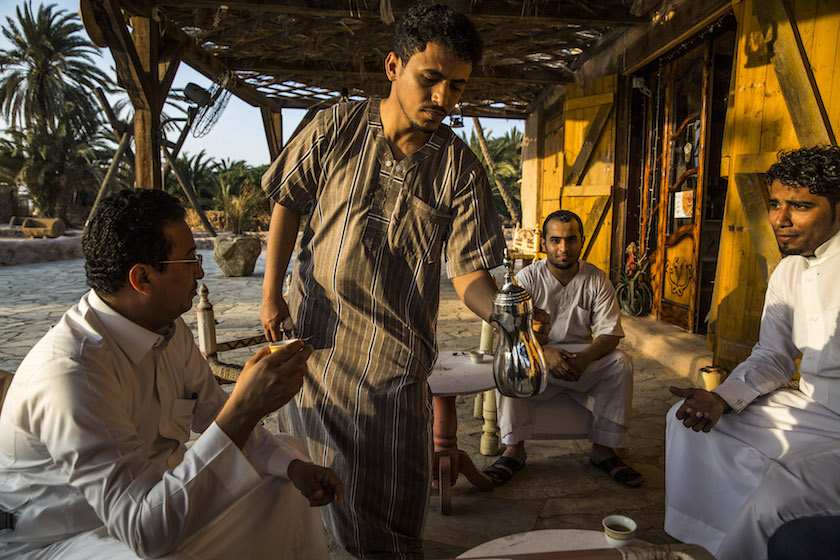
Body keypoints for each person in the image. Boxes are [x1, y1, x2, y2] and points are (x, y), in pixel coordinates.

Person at [259, 4, 507, 558]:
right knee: (314, 492)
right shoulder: (334, 127)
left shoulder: (460, 169)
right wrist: (271, 290)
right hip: (316, 351)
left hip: (396, 367)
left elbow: (468, 272)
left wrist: (507, 313)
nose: (443, 98)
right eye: (431, 78)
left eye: (457, 86)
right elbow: (287, 202)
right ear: (393, 65)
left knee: (392, 506)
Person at [0, 189, 343, 560]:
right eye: (189, 260)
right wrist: (243, 408)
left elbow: (215, 416)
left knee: (283, 467)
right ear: (142, 278)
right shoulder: (72, 374)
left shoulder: (168, 330)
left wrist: (292, 466)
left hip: (153, 504)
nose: (200, 271)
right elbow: (143, 533)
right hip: (64, 538)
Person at [665, 145, 840, 560]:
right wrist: (722, 396)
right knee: (686, 422)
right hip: (811, 405)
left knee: (775, 501)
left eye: (800, 206)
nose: (780, 219)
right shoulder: (789, 271)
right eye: (776, 203)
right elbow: (773, 356)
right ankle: (709, 538)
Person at [487, 210, 643, 488]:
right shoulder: (528, 278)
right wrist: (543, 353)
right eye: (555, 240)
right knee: (514, 362)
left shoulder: (597, 279)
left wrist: (584, 359)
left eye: (570, 240)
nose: (563, 248)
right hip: (537, 357)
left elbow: (610, 333)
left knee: (620, 362)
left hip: (580, 360)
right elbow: (510, 330)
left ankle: (604, 450)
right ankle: (514, 450)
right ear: (544, 242)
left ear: (581, 241)